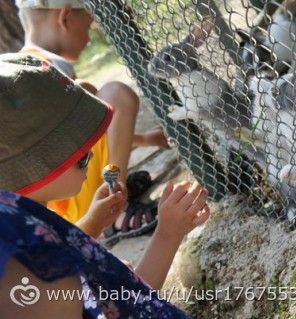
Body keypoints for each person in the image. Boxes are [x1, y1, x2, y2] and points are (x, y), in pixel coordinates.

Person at [0, 53, 209, 318]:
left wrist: (92, 225)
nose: (93, 156)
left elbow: (124, 300)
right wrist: (167, 234)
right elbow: (131, 303)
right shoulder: (26, 270)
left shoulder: (26, 230)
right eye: (83, 158)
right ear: (32, 173)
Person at [15, 0, 170, 240]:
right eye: (88, 26)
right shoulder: (48, 71)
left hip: (57, 206)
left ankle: (110, 191)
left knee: (90, 98)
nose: (89, 39)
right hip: (68, 208)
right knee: (116, 95)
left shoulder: (25, 70)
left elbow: (85, 136)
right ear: (65, 18)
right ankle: (115, 208)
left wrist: (147, 139)